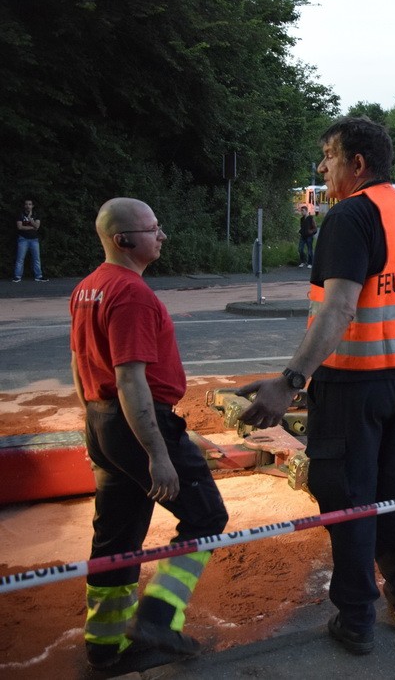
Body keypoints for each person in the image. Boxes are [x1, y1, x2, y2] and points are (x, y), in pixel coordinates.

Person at [238, 117, 395, 656]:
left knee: (349, 500)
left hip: (355, 390)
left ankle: (355, 621)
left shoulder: (351, 214)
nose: (322, 168)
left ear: (357, 165)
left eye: (327, 157)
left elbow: (341, 307)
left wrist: (289, 380)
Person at [70, 198, 229, 670]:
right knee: (205, 517)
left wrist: (94, 427)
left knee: (116, 536)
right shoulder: (132, 293)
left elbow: (78, 365)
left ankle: (104, 646)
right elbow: (131, 378)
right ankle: (158, 618)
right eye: (152, 228)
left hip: (104, 422)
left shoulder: (87, 288)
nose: (161, 235)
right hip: (139, 423)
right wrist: (156, 454)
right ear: (123, 240)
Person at [13, 198, 47, 282]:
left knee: (36, 259)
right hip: (23, 239)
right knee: (20, 259)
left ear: (32, 206)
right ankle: (17, 276)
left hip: (34, 240)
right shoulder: (20, 215)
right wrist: (32, 227)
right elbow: (20, 227)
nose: (28, 206)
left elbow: (37, 226)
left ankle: (38, 276)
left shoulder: (36, 215)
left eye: (29, 204)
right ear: (24, 206)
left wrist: (29, 218)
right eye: (26, 204)